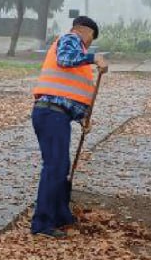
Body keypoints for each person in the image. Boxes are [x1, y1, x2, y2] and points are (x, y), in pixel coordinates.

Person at [30, 15, 107, 239]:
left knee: (60, 167)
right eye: (91, 39)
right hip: (51, 114)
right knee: (55, 167)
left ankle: (60, 214)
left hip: (57, 115)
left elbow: (68, 91)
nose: (90, 44)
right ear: (84, 31)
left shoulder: (78, 50)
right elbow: (65, 59)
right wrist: (94, 57)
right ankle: (42, 223)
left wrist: (82, 116)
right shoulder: (71, 39)